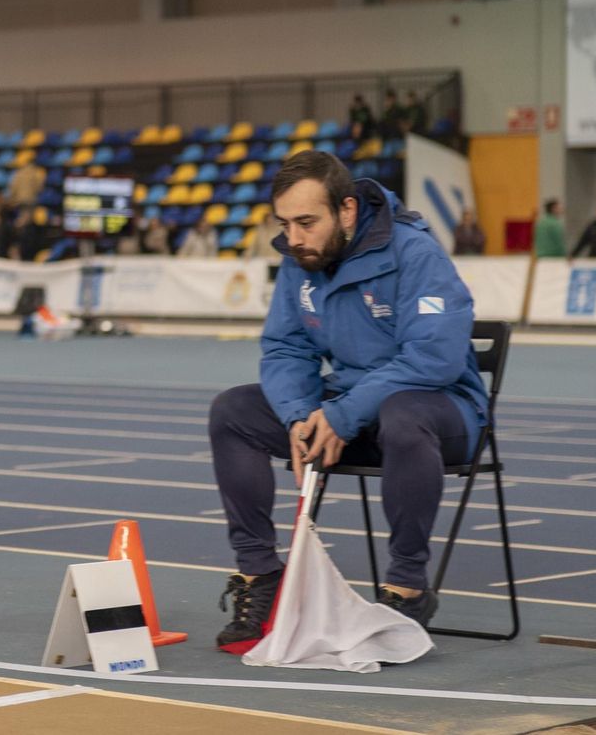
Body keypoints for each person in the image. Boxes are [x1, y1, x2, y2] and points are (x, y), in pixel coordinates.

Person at [206, 150, 487, 649]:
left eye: (307, 222)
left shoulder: (415, 254)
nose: (293, 238)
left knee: (403, 415)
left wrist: (340, 413)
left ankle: (407, 588)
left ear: (348, 210)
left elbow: (434, 359)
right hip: (351, 413)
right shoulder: (301, 260)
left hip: (441, 414)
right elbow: (286, 348)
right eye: (285, 223)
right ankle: (261, 578)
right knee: (233, 412)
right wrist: (298, 417)